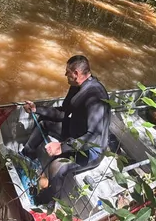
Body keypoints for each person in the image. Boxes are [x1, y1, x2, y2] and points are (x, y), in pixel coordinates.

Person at [22, 55, 110, 204]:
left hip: (92, 150)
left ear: (76, 73)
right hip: (75, 130)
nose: (65, 75)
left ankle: (47, 201)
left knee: (57, 166)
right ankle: (26, 155)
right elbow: (63, 113)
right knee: (44, 123)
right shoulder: (76, 87)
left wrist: (62, 147)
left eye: (67, 72)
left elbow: (94, 136)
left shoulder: (95, 96)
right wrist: (37, 109)